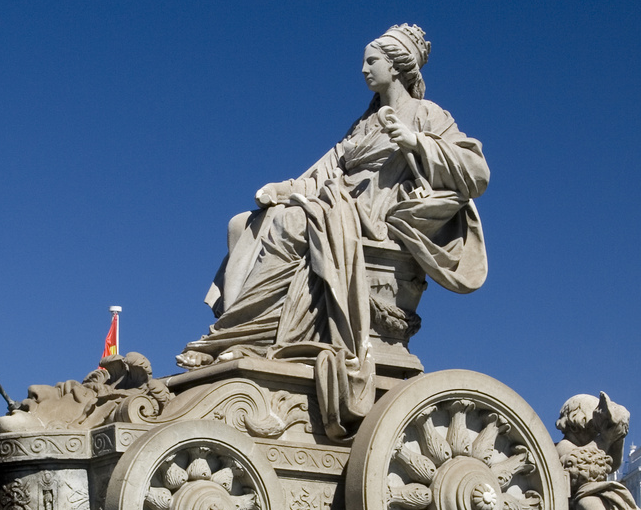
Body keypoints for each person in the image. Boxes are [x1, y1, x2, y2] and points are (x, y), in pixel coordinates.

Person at [178, 24, 489, 437]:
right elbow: (325, 174)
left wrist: (416, 143)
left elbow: (476, 173)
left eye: (372, 60)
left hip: (375, 220)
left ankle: (246, 337)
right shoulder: (362, 126)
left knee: (291, 222)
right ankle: (232, 335)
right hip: (338, 205)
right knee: (243, 224)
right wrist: (284, 188)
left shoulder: (428, 115)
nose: (363, 68)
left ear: (397, 67)